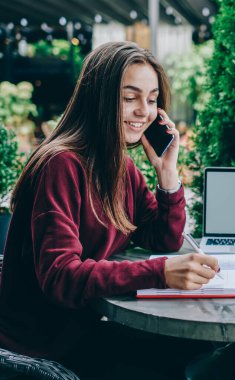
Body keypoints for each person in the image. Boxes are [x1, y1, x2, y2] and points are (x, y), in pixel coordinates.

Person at [0, 41, 219, 379]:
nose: (144, 112)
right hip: (40, 349)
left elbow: (162, 236)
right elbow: (60, 275)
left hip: (78, 331)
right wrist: (159, 272)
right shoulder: (61, 164)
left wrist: (167, 174)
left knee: (199, 354)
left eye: (151, 99)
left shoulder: (117, 165)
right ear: (99, 98)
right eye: (129, 98)